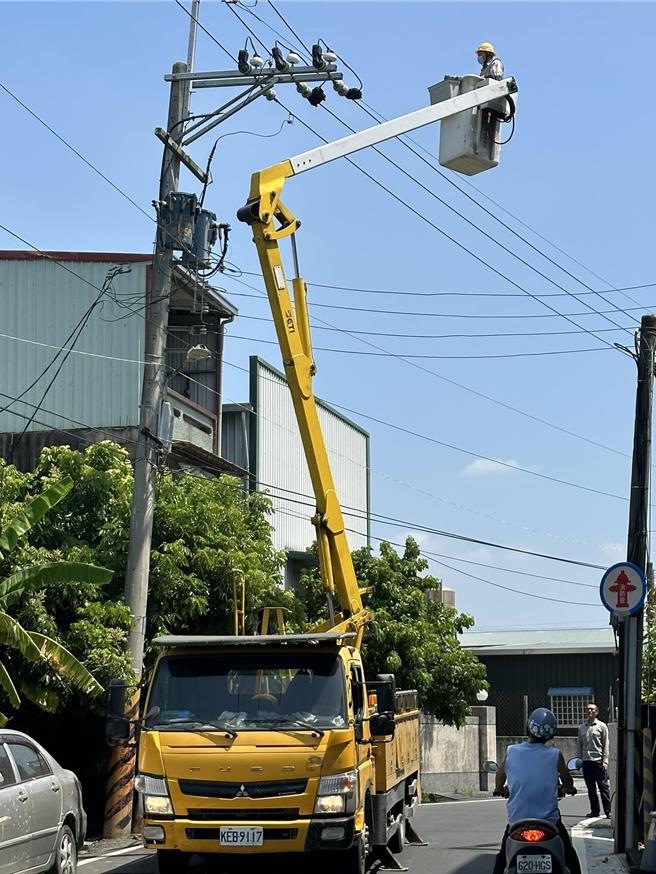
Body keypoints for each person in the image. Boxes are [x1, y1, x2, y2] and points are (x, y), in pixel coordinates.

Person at [492, 707, 581, 874]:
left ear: (529, 727)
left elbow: (500, 775)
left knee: (502, 860)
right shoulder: (555, 754)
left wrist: (499, 789)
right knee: (570, 858)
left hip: (517, 822)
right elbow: (568, 780)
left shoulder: (512, 751)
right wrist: (568, 788)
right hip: (549, 823)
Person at [577, 703, 611, 818]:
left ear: (597, 712)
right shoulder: (582, 727)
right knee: (591, 788)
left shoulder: (602, 726)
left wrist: (605, 760)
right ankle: (595, 811)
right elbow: (579, 745)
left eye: (591, 709)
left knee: (603, 787)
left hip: (598, 761)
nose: (589, 711)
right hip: (587, 761)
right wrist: (578, 760)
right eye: (587, 709)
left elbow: (606, 744)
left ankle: (608, 811)